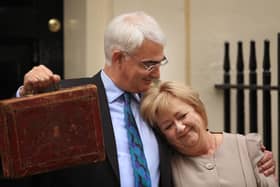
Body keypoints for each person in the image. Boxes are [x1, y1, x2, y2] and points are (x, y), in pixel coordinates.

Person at [13, 11, 274, 187]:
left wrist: (246, 152)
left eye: (160, 62)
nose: (158, 73)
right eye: (149, 64)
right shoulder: (68, 98)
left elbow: (190, 132)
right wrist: (27, 97)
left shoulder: (157, 103)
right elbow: (23, 153)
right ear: (118, 58)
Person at [140, 80, 278, 186]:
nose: (180, 127)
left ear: (198, 109)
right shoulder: (166, 166)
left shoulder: (248, 147)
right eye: (168, 126)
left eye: (182, 116)